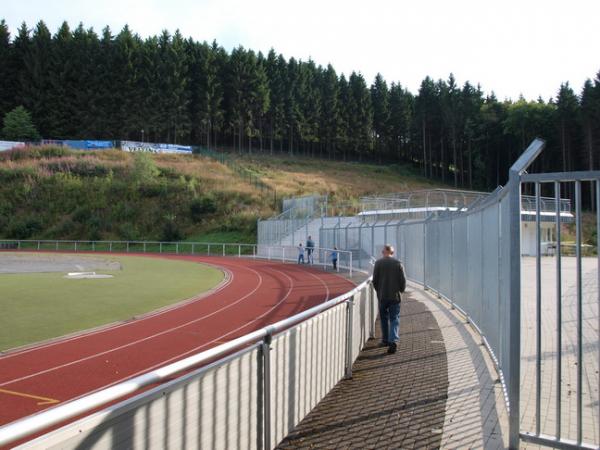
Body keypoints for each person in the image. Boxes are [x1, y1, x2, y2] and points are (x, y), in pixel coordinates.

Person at [372, 244, 406, 354]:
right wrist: (401, 290)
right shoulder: (398, 263)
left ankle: (385, 340)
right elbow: (403, 281)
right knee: (394, 319)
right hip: (395, 296)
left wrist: (379, 291)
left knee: (383, 318)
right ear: (392, 253)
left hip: (382, 296)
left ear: (383, 252)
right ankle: (393, 340)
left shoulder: (378, 263)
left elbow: (375, 281)